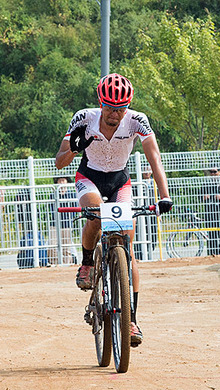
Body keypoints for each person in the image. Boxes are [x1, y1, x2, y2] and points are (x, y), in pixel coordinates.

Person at [54, 73, 173, 346]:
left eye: (120, 109)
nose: (114, 115)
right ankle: (87, 263)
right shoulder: (83, 118)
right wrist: (74, 149)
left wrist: (164, 195)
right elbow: (59, 162)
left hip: (120, 180)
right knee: (95, 216)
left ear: (128, 107)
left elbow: (154, 156)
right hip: (89, 177)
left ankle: (130, 319)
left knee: (128, 247)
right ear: (100, 103)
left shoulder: (137, 120)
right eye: (109, 108)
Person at [202, 168, 220, 255]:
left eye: (214, 172)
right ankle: (211, 254)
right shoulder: (206, 184)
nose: (213, 174)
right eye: (211, 172)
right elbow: (199, 196)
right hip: (210, 213)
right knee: (211, 235)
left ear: (219, 172)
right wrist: (203, 197)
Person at [49, 176, 78, 265]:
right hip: (54, 223)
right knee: (52, 245)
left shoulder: (72, 195)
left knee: (66, 246)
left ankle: (66, 263)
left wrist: (70, 218)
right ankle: (54, 263)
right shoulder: (53, 194)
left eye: (63, 180)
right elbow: (50, 208)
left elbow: (75, 208)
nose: (61, 183)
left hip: (66, 224)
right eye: (59, 181)